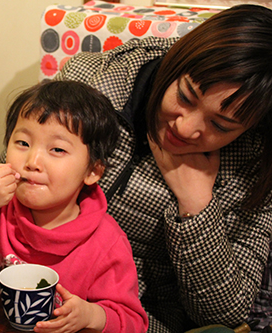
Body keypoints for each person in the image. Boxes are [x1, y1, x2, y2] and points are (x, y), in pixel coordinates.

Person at [27, 4, 272, 333]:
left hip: (136, 317)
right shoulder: (94, 85)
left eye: (221, 125)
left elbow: (225, 314)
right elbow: (9, 188)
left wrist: (197, 206)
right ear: (176, 63)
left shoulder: (255, 164)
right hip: (34, 283)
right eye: (185, 97)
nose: (185, 129)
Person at [0, 80, 149, 333]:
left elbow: (133, 323)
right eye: (23, 143)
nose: (32, 161)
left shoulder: (107, 243)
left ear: (93, 171)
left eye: (57, 149)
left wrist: (92, 315)